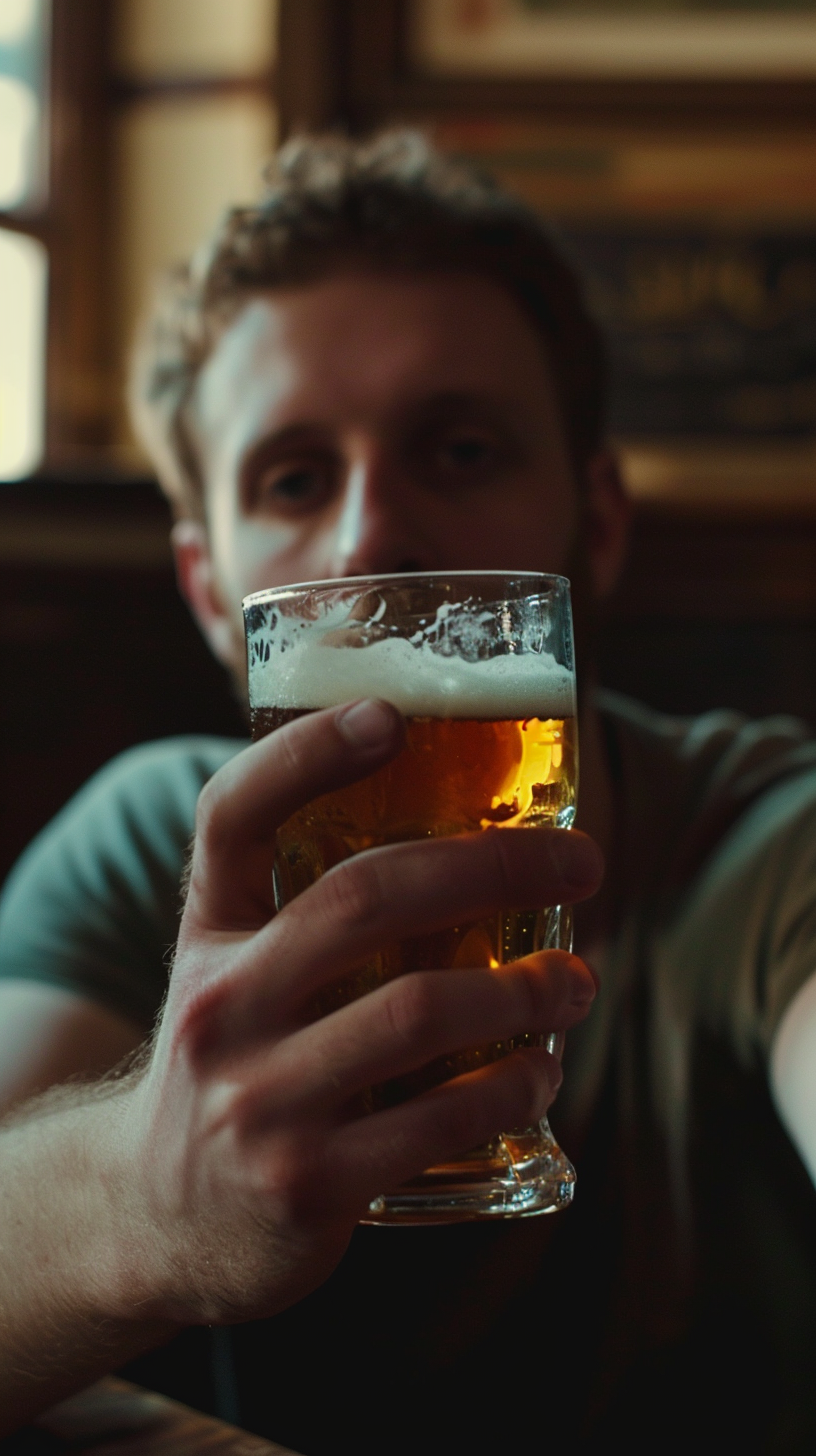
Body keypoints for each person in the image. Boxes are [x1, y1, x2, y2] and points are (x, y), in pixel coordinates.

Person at [1, 130, 816, 1452]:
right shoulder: (151, 837)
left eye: (463, 448)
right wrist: (145, 1200)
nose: (373, 535)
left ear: (595, 527)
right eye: (295, 478)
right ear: (215, 593)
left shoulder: (760, 835)